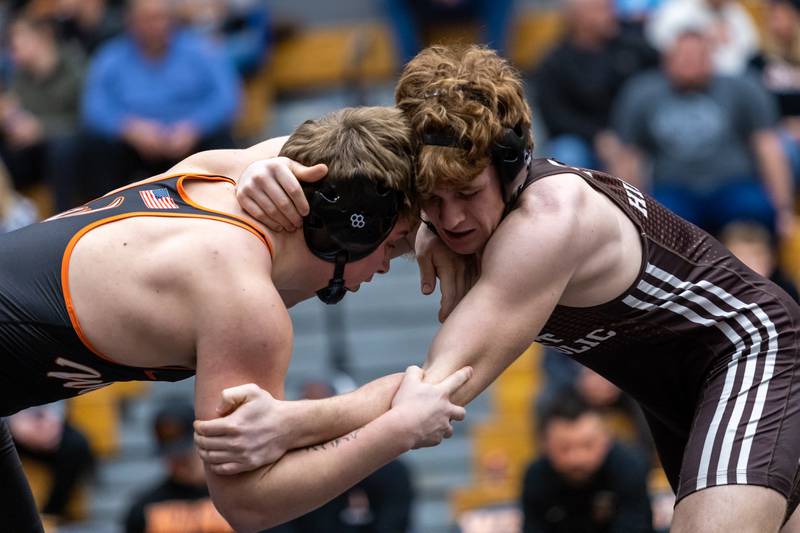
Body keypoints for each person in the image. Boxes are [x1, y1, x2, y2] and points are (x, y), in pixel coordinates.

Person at [223, 45, 800, 533]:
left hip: (750, 352)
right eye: (433, 199)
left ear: (512, 166)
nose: (449, 219)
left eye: (468, 194)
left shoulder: (547, 222)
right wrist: (259, 166)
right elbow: (339, 165)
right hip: (680, 394)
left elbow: (442, 385)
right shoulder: (464, 210)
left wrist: (290, 423)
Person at [0, 105, 473, 533]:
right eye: (392, 244)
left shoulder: (219, 172)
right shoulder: (242, 300)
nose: (386, 265)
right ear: (347, 231)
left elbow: (352, 139)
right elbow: (247, 505)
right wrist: (396, 429)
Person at [611, 27, 794, 237]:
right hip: (674, 189)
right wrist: (629, 215)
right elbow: (628, 156)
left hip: (733, 186)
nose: (690, 64)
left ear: (711, 58)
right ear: (666, 60)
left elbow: (767, 146)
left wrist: (783, 208)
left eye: (698, 57)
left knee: (755, 209)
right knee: (661, 223)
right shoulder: (641, 93)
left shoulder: (742, 88)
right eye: (683, 57)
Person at [81, 0, 240, 194]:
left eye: (162, 17)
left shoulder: (202, 50)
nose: (156, 25)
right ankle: (105, 214)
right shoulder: (110, 56)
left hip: (191, 139)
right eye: (147, 19)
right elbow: (94, 107)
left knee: (222, 143)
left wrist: (194, 126)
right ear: (130, 22)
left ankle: (223, 210)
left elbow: (226, 99)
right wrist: (129, 128)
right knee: (93, 146)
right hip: (133, 144)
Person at [521, 393, 652, 533]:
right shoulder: (536, 477)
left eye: (588, 445)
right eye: (564, 448)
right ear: (545, 445)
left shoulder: (629, 466)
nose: (577, 458)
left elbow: (637, 525)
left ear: (606, 440)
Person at [124, 402, 232, 533]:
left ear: (202, 441)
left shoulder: (236, 496)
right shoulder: (143, 508)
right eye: (170, 453)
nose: (177, 461)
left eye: (183, 453)